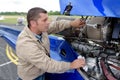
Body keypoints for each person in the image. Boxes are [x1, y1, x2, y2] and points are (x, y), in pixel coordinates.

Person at [16, 7, 85, 80]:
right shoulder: (26, 44)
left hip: (41, 71)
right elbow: (48, 65)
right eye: (44, 20)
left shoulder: (40, 29)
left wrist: (71, 23)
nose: (48, 22)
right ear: (33, 23)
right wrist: (71, 65)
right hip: (32, 77)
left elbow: (56, 25)